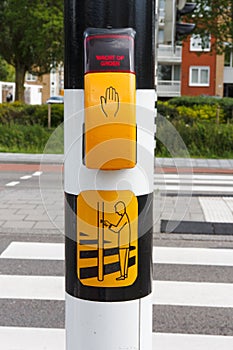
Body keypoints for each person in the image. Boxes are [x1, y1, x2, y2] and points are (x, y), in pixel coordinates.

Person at [103, 201, 131, 280]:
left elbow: (117, 229)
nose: (116, 211)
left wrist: (108, 225)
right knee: (124, 259)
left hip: (123, 243)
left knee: (123, 259)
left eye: (117, 209)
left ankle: (123, 275)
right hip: (125, 242)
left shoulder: (124, 218)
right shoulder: (125, 217)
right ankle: (124, 274)